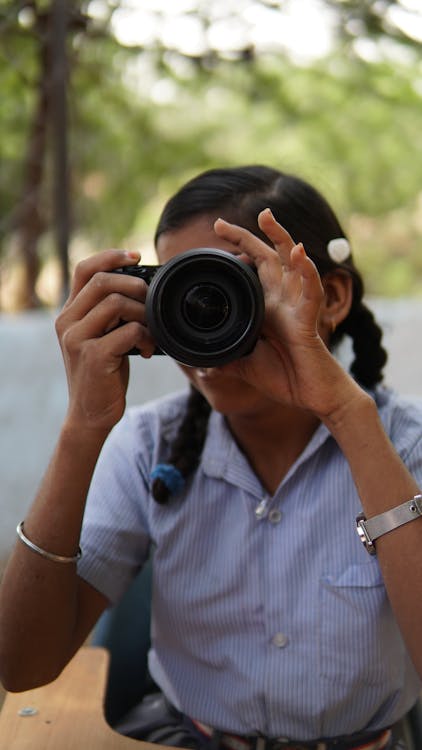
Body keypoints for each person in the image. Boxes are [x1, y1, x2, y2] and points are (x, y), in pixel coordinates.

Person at [0, 165, 421, 750]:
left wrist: (346, 413)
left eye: (242, 284)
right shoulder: (150, 447)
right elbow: (21, 667)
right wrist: (82, 427)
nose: (208, 311)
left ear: (333, 297)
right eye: (186, 288)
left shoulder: (407, 443)